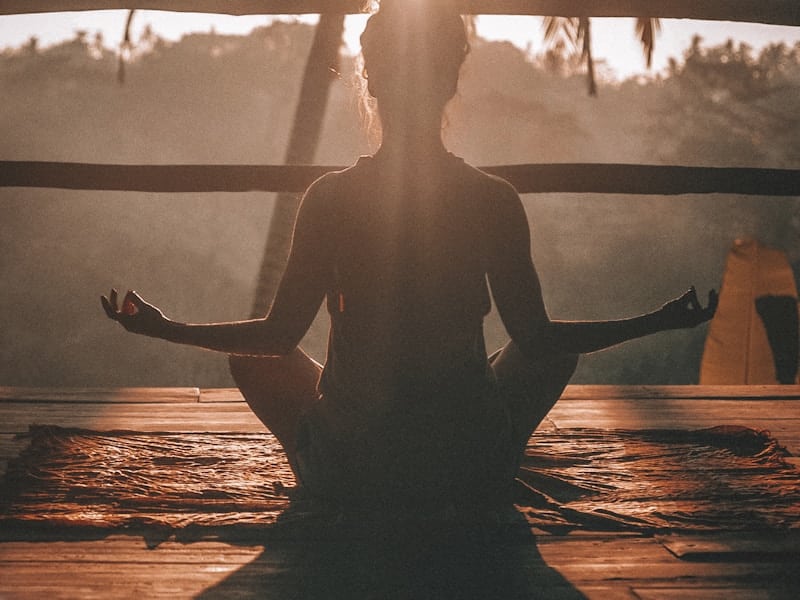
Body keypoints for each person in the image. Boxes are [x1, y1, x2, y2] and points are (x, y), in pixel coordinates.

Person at [102, 0, 717, 511]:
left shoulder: (331, 198)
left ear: (370, 78)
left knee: (254, 362)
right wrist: (658, 320)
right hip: (467, 468)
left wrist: (165, 328)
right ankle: (491, 454)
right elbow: (538, 338)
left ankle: (321, 462)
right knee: (552, 352)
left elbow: (276, 336)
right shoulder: (491, 198)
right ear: (451, 81)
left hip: (354, 470)